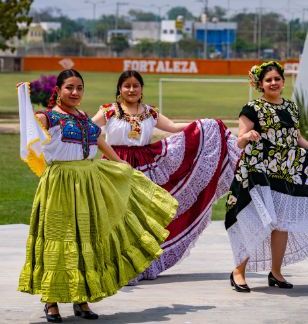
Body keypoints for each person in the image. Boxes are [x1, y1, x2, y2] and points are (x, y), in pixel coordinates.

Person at [17, 70, 177, 322]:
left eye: (79, 88)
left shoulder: (82, 117)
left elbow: (100, 140)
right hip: (61, 183)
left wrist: (119, 163)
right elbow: (31, 135)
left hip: (87, 182)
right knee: (60, 239)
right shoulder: (46, 117)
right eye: (69, 87)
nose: (75, 93)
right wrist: (24, 105)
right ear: (58, 90)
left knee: (85, 240)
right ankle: (51, 301)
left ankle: (82, 299)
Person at [91, 70, 240, 280]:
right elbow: (89, 128)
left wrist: (204, 125)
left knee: (143, 218)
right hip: (116, 166)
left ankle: (138, 266)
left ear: (142, 89)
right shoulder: (108, 111)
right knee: (117, 216)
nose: (131, 89)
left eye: (136, 85)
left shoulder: (150, 112)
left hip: (145, 167)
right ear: (119, 89)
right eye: (127, 85)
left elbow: (172, 127)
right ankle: (114, 265)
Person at [225, 61, 308, 292]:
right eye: (268, 80)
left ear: (283, 81)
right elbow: (239, 140)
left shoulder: (291, 107)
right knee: (256, 220)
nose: (273, 83)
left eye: (277, 79)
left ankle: (276, 272)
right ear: (260, 84)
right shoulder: (252, 108)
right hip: (259, 173)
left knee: (282, 223)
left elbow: (295, 137)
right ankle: (238, 271)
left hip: (285, 172)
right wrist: (247, 135)